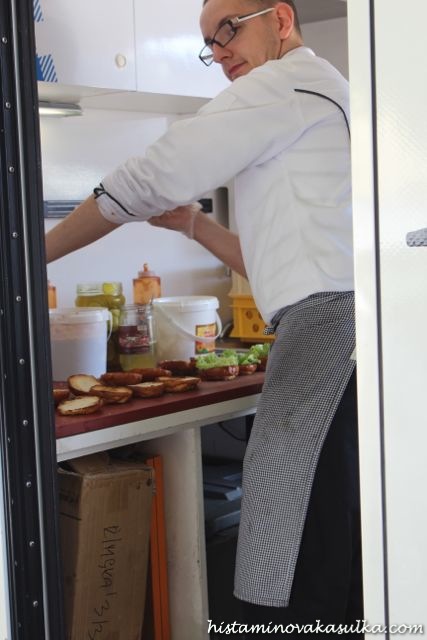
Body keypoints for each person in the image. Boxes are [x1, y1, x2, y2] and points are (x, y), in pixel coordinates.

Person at [46, 0, 362, 636]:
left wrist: (29, 256)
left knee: (291, 533)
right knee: (324, 525)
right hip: (339, 324)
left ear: (280, 20)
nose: (218, 52)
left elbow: (147, 176)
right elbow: (279, 259)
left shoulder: (286, 83)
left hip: (327, 330)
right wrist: (194, 225)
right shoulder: (321, 93)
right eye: (209, 44)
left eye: (228, 31)